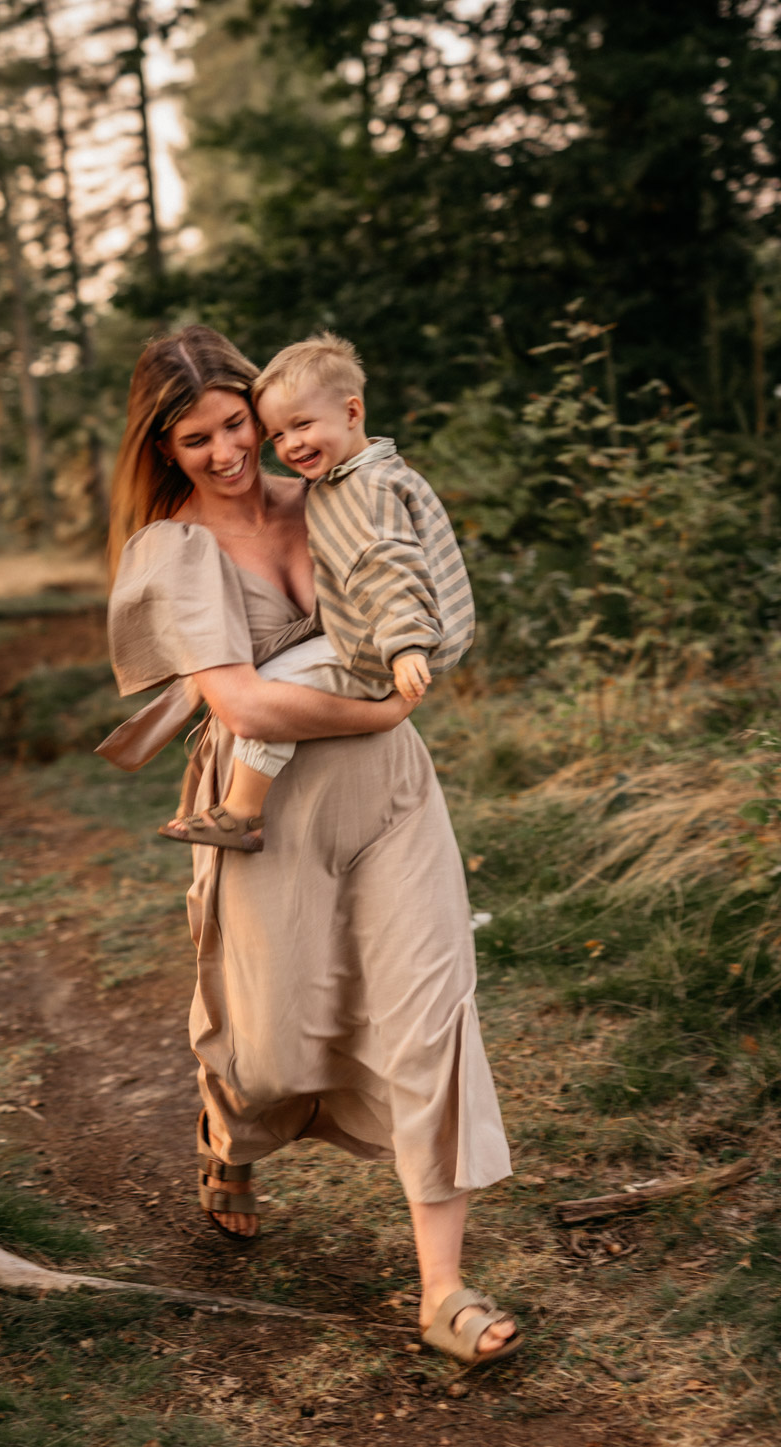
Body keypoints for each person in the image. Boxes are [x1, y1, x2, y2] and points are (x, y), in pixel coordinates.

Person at [102, 324, 521, 1367]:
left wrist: (414, 656)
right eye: (194, 440)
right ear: (164, 450)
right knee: (273, 1036)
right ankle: (227, 1134)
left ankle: (443, 1291)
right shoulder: (173, 550)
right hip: (265, 816)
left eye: (234, 424)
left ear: (260, 408)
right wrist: (383, 712)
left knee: (431, 1020)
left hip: (389, 801)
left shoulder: (334, 489)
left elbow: (413, 591)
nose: (227, 452)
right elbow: (241, 698)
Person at [156, 331, 474, 853]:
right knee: (274, 690)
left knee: (278, 682)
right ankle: (242, 809)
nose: (291, 446)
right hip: (373, 644)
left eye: (302, 425)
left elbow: (389, 566)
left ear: (352, 412)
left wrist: (405, 645)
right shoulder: (347, 479)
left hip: (379, 643)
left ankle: (241, 812)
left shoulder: (361, 491)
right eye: (278, 434)